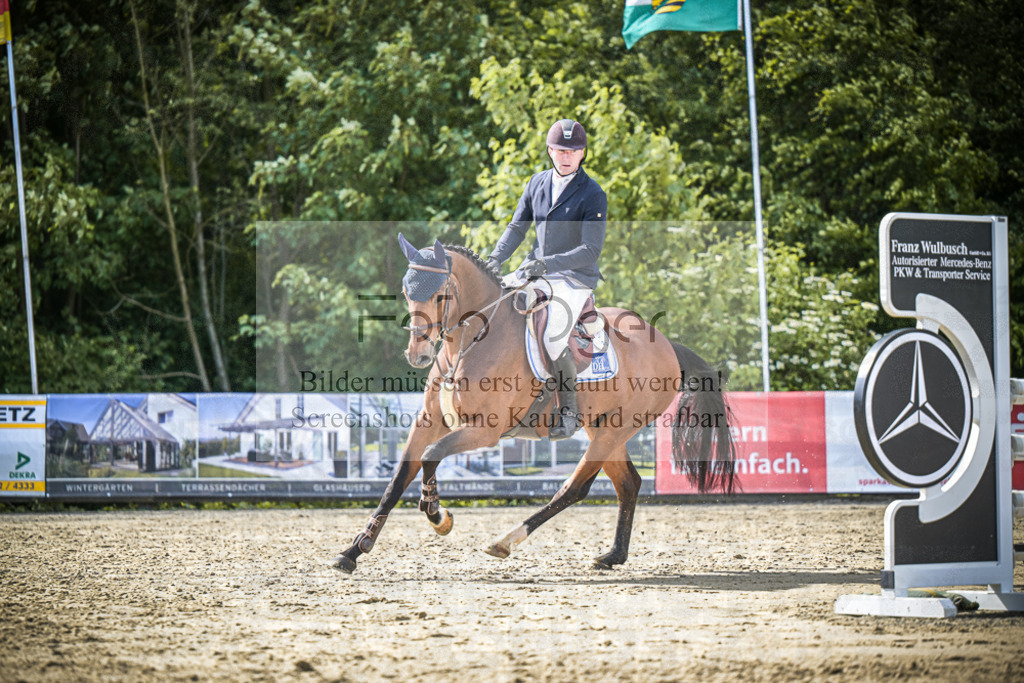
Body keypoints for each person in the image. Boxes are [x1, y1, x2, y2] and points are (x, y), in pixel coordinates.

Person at [486, 118, 607, 440]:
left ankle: (568, 412)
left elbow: (591, 249)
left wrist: (547, 263)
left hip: (573, 277)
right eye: (560, 150)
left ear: (582, 153)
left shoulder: (593, 193)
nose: (566, 156)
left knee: (553, 336)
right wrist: (495, 259)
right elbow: (517, 228)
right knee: (493, 306)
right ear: (550, 151)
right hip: (534, 270)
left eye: (573, 151)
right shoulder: (536, 182)